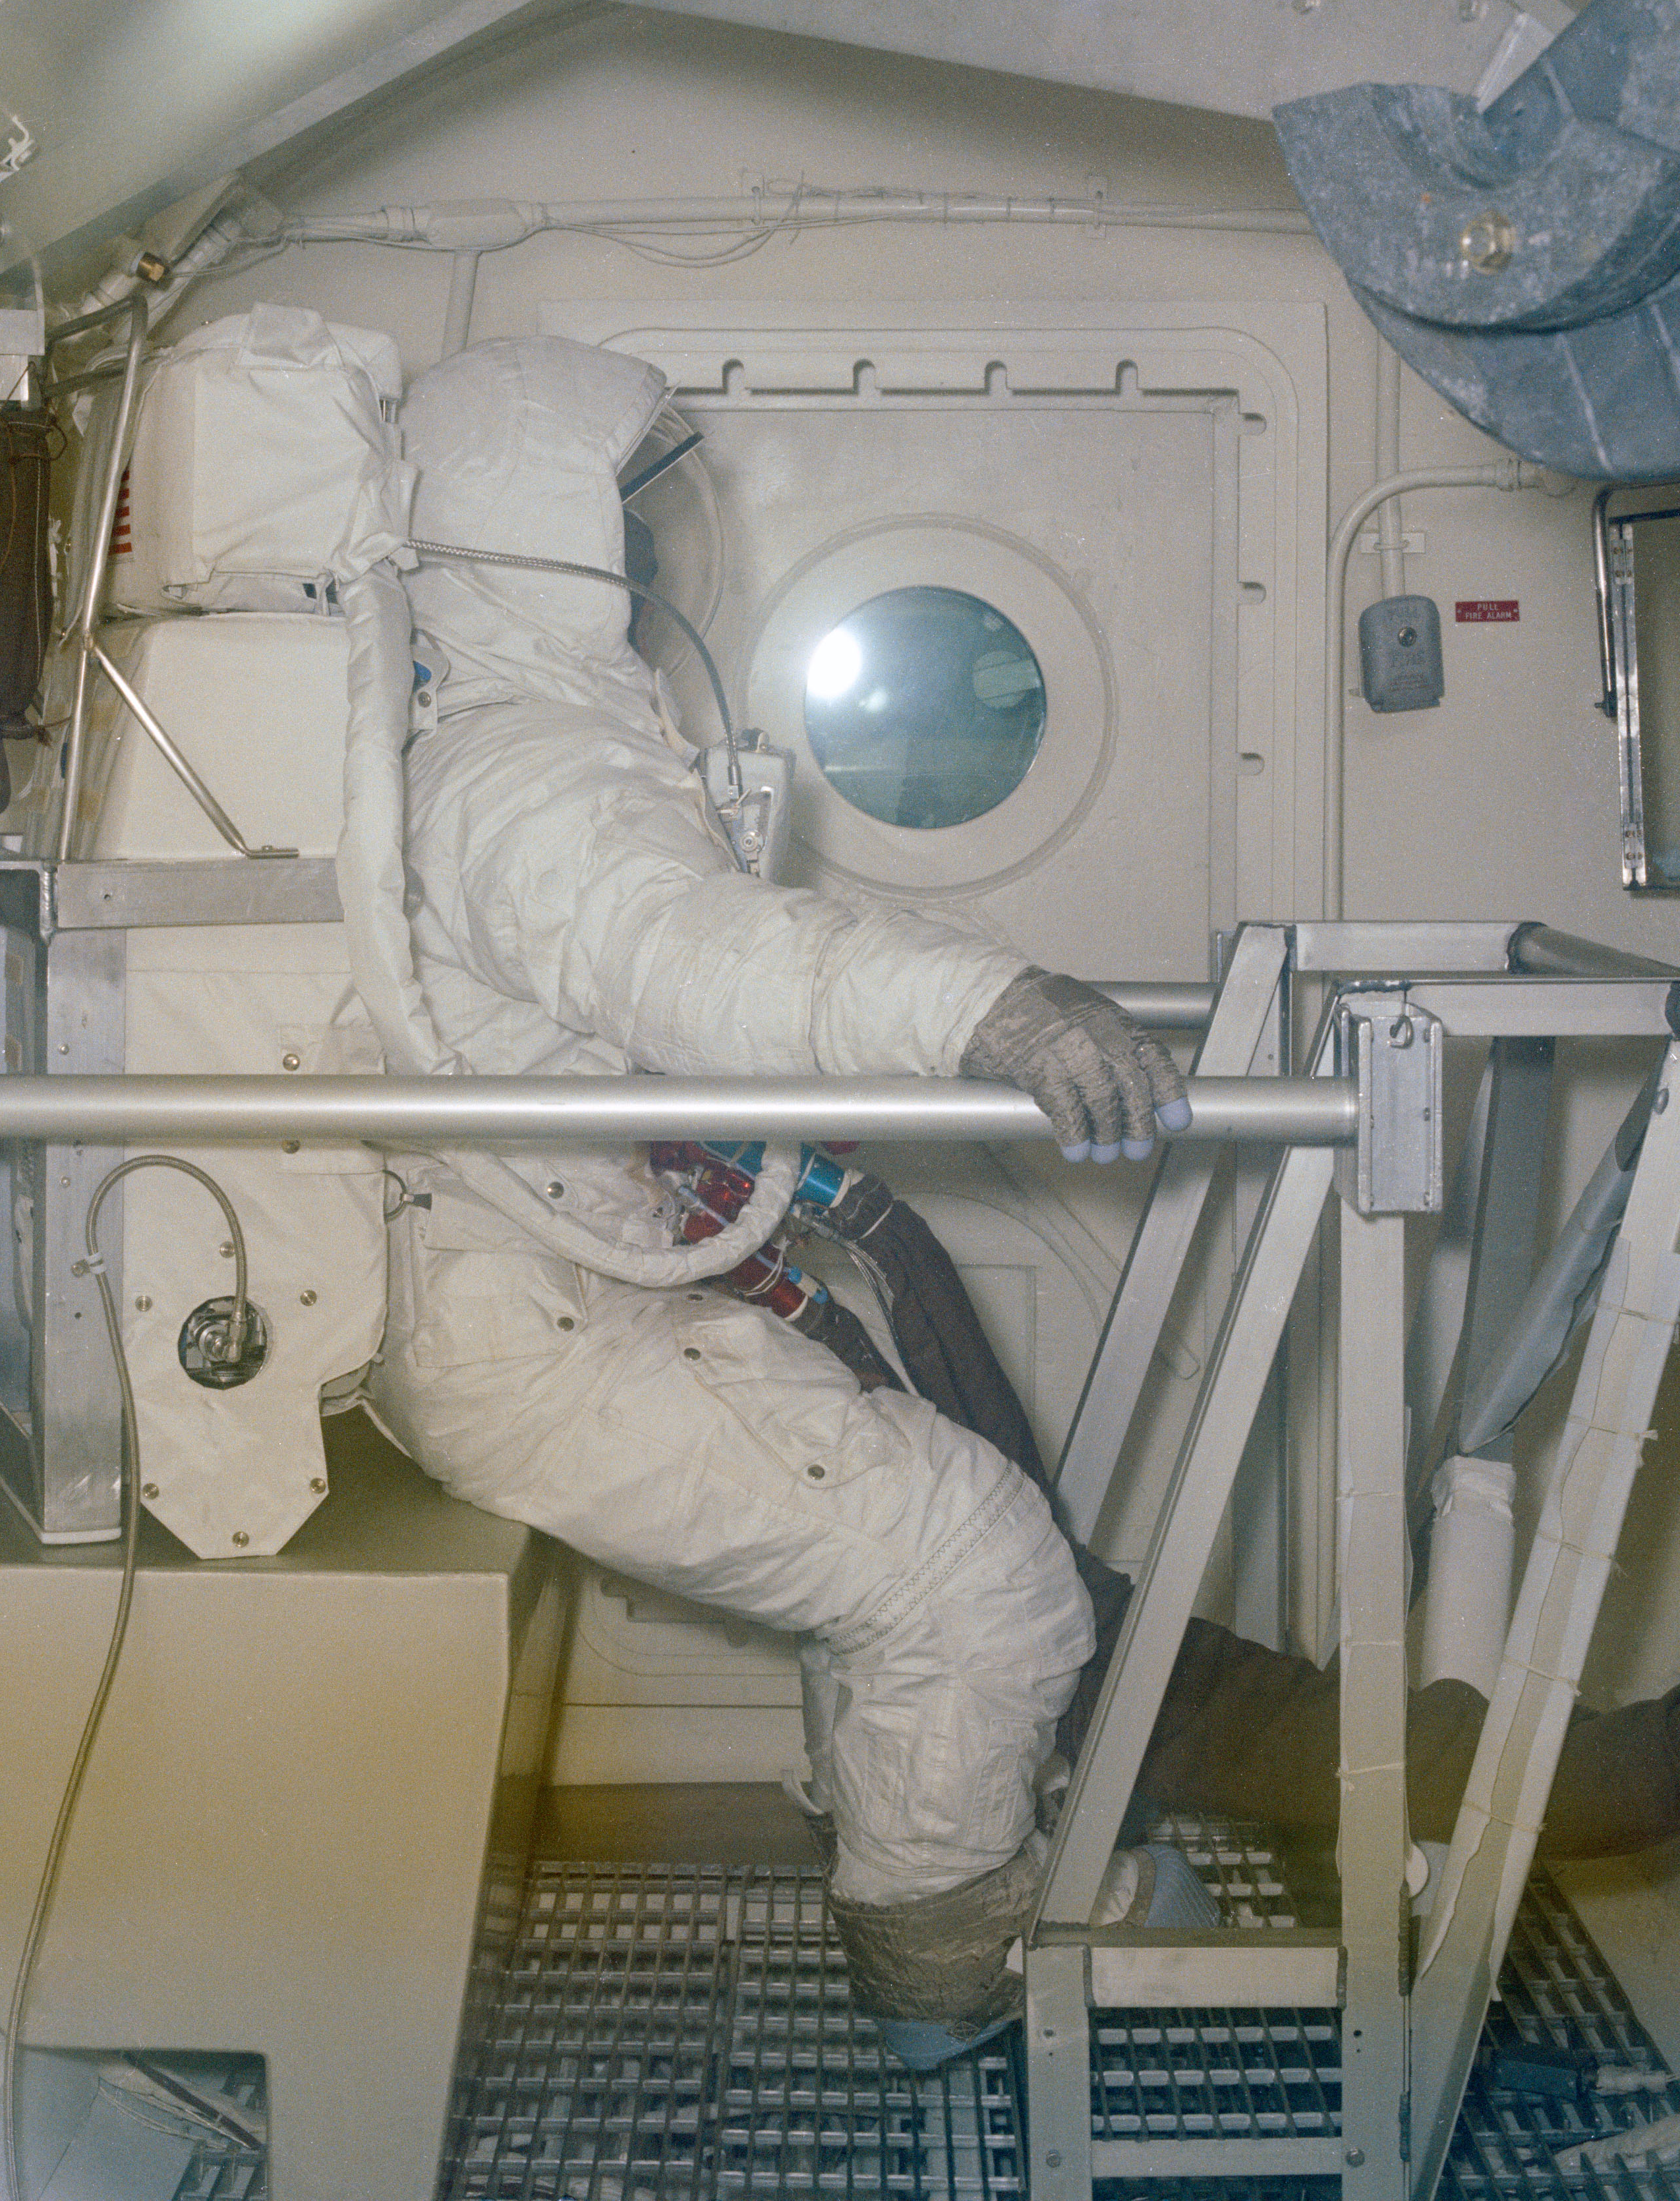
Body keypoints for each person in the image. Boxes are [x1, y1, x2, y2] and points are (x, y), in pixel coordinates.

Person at [362, 335, 1190, 2065]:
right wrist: (996, 1008)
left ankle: (916, 1851)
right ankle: (939, 1972)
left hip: (581, 1282)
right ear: (541, 536)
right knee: (982, 1582)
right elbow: (702, 968)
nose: (656, 560)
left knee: (920, 1517)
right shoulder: (527, 777)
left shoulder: (516, 737)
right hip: (545, 1327)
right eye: (624, 520)